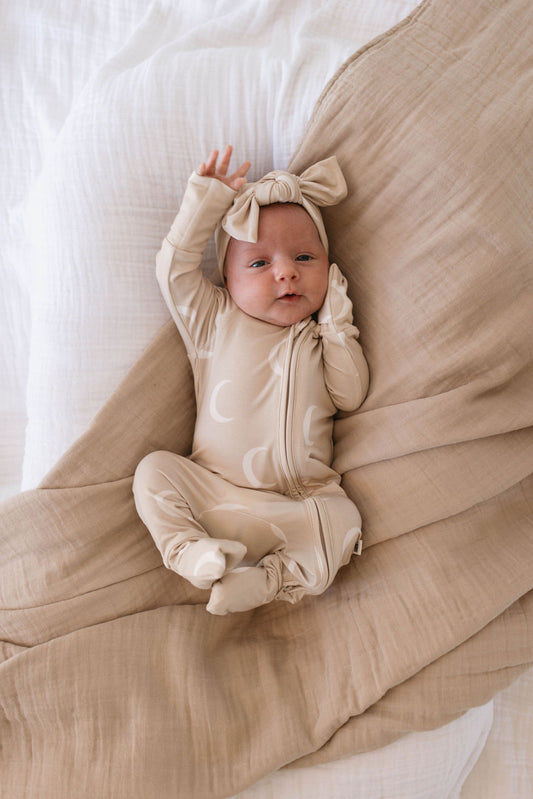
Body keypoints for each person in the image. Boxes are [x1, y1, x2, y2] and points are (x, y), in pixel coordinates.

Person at [133, 145, 369, 615]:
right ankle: (192, 553)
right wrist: (207, 200)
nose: (286, 272)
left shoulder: (320, 336)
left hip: (299, 503)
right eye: (259, 263)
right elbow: (174, 270)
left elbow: (352, 395)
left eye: (304, 257)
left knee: (344, 521)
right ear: (226, 278)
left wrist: (337, 327)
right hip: (215, 493)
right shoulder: (214, 320)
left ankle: (265, 582)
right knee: (153, 472)